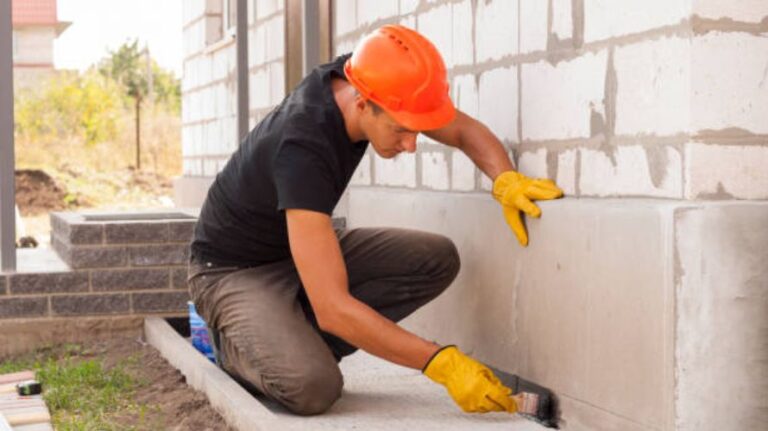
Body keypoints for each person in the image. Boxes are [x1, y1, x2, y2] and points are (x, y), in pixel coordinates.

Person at [187, 24, 563, 416]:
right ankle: (238, 347)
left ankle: (295, 339)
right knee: (313, 387)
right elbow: (332, 308)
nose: (412, 144)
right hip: (233, 271)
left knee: (434, 257)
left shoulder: (371, 80)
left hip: (293, 252)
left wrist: (505, 179)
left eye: (416, 130)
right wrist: (442, 363)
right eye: (402, 130)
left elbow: (463, 131)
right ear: (362, 103)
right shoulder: (302, 149)